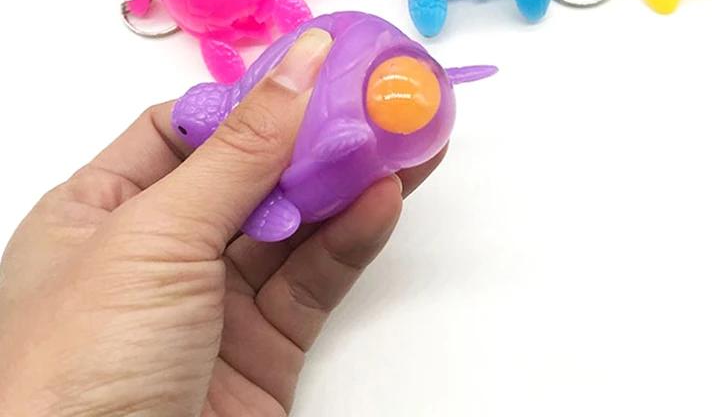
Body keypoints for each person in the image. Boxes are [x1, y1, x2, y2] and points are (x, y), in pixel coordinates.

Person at [0, 29, 443, 415]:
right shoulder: (259, 139)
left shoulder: (256, 106)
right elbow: (278, 217)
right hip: (346, 127)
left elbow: (277, 207)